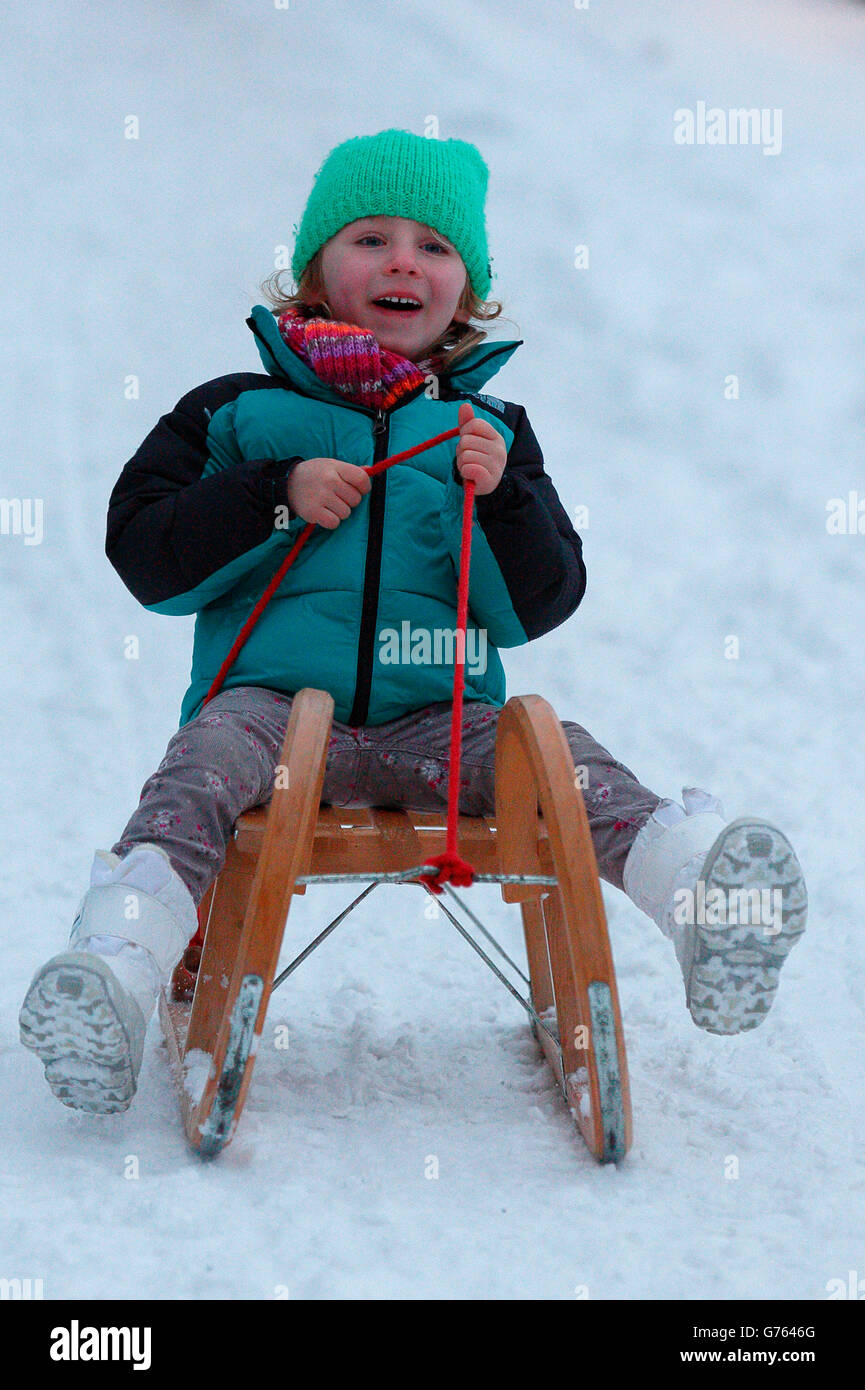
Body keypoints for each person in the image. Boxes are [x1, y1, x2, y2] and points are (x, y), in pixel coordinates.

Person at [19, 129, 807, 1116]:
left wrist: (505, 495)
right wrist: (274, 496)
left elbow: (540, 603)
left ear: (467, 292)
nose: (403, 261)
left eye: (434, 248)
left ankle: (705, 903)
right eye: (371, 238)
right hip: (270, 714)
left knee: (555, 761)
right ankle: (117, 969)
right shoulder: (235, 413)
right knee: (198, 772)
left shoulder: (490, 433)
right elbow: (145, 553)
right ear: (313, 271)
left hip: (441, 719)